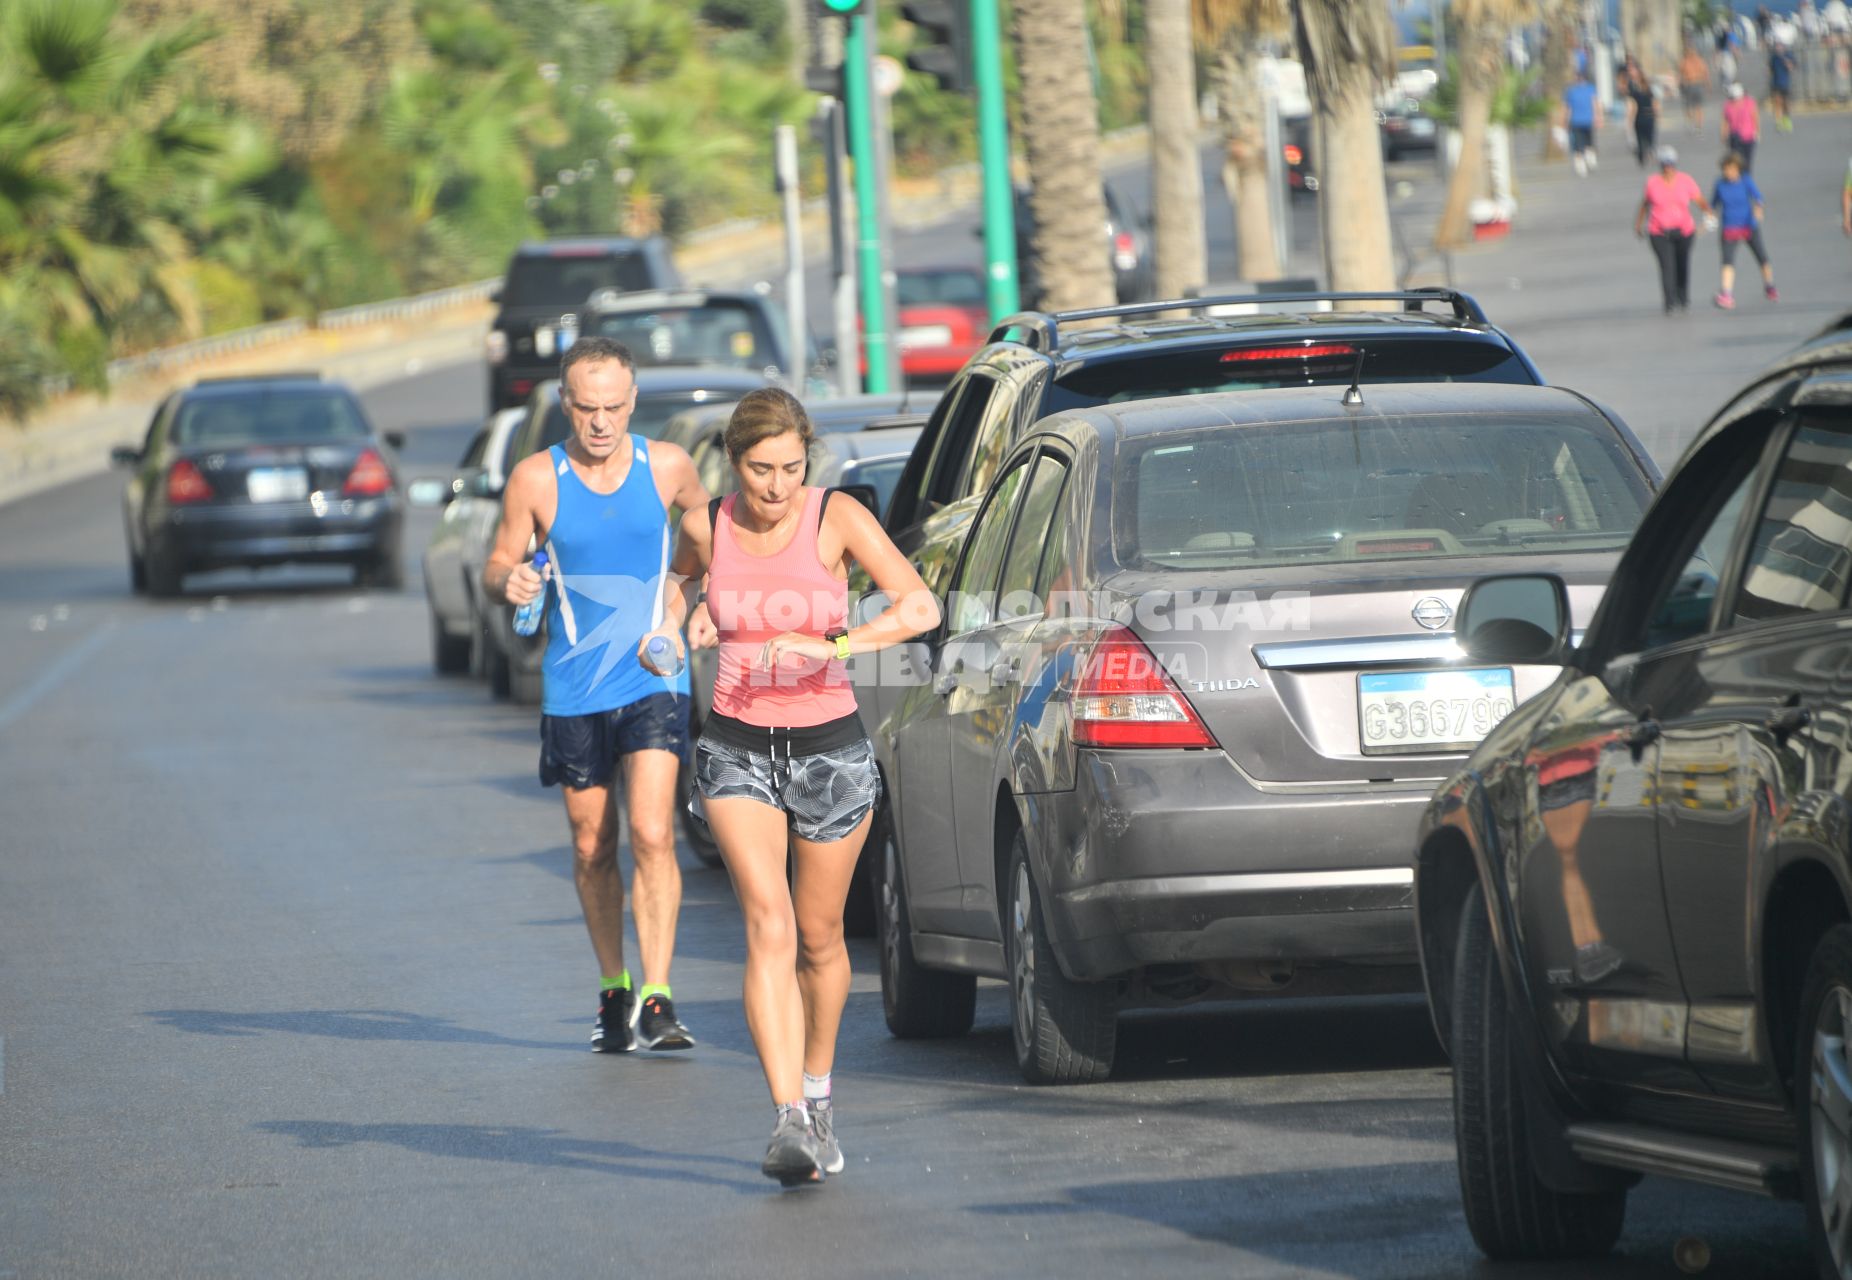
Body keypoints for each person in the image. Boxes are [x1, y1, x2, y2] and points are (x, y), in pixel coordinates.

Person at [641, 388, 938, 1187]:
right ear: (734, 465)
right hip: (735, 747)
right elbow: (678, 584)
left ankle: (818, 1095)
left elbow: (918, 603)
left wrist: (835, 640)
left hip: (830, 753)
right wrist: (674, 626)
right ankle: (786, 1122)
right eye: (762, 469)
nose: (777, 486)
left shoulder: (832, 516)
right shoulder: (707, 523)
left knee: (819, 938)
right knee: (766, 924)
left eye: (792, 468)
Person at [485, 335, 712, 1057]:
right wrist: (511, 580)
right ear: (565, 403)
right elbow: (499, 558)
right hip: (574, 685)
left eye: (614, 407)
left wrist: (686, 600)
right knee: (592, 844)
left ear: (633, 401)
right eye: (587, 408)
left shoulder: (668, 466)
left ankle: (659, 996)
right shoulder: (535, 479)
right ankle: (614, 987)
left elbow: (711, 543)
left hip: (652, 674)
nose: (601, 423)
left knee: (651, 832)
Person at [1634, 145, 1711, 314]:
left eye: (1671, 164)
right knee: (1666, 265)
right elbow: (1644, 205)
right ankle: (1669, 301)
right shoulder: (1652, 183)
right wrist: (1638, 225)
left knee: (1682, 264)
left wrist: (1709, 216)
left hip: (1684, 231)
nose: (1668, 167)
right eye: (1665, 164)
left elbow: (1700, 201)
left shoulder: (1686, 180)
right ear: (1660, 165)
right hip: (1659, 232)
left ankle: (1682, 296)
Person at [1710, 151, 1777, 307]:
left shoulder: (1746, 181)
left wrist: (1758, 209)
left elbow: (1758, 197)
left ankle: (1770, 286)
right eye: (1726, 169)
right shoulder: (1720, 184)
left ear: (1738, 169)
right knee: (1727, 261)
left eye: (1732, 169)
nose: (1729, 173)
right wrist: (1709, 218)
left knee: (1761, 256)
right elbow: (1713, 205)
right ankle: (1726, 294)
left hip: (1748, 225)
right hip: (1729, 227)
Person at [1564, 66, 1600, 176]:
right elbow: (1595, 104)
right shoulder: (1590, 89)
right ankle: (1589, 159)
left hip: (1577, 121)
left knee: (1578, 146)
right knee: (1588, 142)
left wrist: (1566, 121)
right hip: (1586, 120)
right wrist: (1597, 116)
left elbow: (1568, 108)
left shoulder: (1571, 91)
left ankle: (1581, 166)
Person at [1623, 63, 1659, 167]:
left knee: (1644, 136)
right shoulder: (1642, 86)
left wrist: (1629, 119)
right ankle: (1647, 152)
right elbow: (1654, 101)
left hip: (1643, 115)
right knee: (1646, 136)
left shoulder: (1635, 87)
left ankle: (1645, 154)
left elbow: (1631, 105)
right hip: (1646, 115)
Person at [1721, 81, 1760, 173]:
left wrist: (1757, 131)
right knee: (1736, 160)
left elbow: (1755, 116)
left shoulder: (1750, 102)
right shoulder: (1728, 104)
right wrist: (1723, 134)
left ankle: (1746, 179)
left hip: (1748, 136)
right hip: (1734, 136)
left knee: (1747, 159)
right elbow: (1725, 121)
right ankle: (1739, 178)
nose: (1736, 99)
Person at [1680, 42, 1709, 130]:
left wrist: (1681, 85)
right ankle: (1699, 125)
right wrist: (1707, 85)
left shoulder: (1685, 62)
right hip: (1698, 84)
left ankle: (1692, 123)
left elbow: (1681, 75)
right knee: (1698, 106)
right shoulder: (1700, 61)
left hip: (1690, 84)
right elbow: (1706, 73)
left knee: (1689, 106)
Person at [1769, 40, 1796, 131]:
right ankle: (1778, 122)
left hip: (1785, 83)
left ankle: (1786, 119)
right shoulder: (1774, 57)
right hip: (1775, 83)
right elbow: (1770, 69)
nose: (1777, 48)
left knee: (1786, 103)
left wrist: (1787, 62)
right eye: (1776, 46)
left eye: (1779, 46)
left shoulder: (1788, 56)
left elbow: (1791, 68)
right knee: (1777, 103)